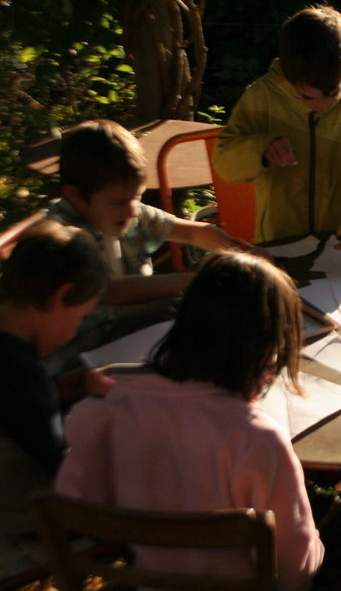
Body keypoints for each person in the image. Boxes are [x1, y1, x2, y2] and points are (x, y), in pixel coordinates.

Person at [56, 252, 324, 590]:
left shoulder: (101, 411)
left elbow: (78, 505)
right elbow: (294, 568)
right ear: (268, 348)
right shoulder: (257, 439)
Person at [45, 118, 255, 372]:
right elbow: (111, 292)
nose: (133, 210)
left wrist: (240, 254)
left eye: (138, 197)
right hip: (78, 362)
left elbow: (192, 232)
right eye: (120, 202)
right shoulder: (61, 235)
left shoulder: (123, 209)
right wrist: (197, 280)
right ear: (76, 197)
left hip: (135, 336)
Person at [213, 4, 341, 252]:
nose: (321, 105)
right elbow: (224, 161)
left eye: (333, 93)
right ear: (289, 78)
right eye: (307, 97)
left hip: (340, 237)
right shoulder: (262, 96)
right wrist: (261, 150)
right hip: (279, 237)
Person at [0, 221, 107, 573]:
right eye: (80, 318)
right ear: (62, 296)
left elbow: (19, 417)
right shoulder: (19, 371)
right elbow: (65, 467)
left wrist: (56, 394)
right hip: (22, 521)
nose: (74, 331)